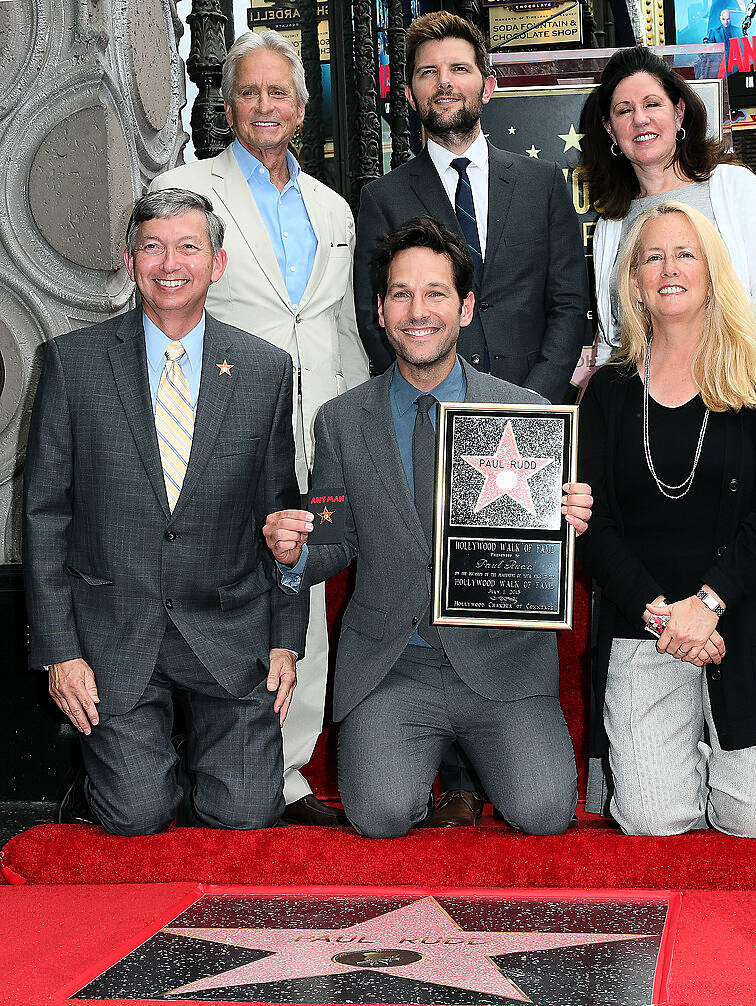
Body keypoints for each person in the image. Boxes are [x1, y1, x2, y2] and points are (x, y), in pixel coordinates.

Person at [264, 217, 593, 840]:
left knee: (544, 815)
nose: (419, 310)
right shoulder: (342, 422)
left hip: (503, 664)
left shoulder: (526, 414)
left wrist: (569, 521)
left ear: (465, 309)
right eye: (401, 295)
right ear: (382, 312)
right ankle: (416, 769)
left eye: (436, 293)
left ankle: (470, 772)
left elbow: (545, 557)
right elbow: (332, 539)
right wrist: (293, 552)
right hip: (395, 663)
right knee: (380, 816)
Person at [22, 190, 308, 835]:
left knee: (246, 816)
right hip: (114, 634)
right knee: (136, 816)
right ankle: (121, 776)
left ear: (218, 262)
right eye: (151, 246)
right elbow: (44, 517)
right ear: (129, 263)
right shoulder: (73, 365)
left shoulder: (265, 369)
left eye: (188, 246)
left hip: (228, 630)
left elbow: (283, 516)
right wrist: (60, 652)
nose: (168, 262)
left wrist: (286, 638)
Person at [151, 30, 370, 827]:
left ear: (301, 110)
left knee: (300, 590)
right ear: (227, 102)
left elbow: (340, 326)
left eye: (280, 93)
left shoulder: (332, 208)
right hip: (213, 432)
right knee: (213, 587)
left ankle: (290, 772)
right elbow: (159, 307)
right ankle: (205, 758)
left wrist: (351, 433)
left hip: (314, 436)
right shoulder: (182, 187)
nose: (264, 105)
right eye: (250, 92)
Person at [577, 201, 756, 837]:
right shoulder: (605, 392)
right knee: (653, 820)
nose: (668, 268)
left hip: (744, 615)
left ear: (714, 270)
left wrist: (708, 604)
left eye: (684, 253)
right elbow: (593, 527)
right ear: (632, 282)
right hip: (648, 625)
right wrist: (667, 615)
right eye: (652, 257)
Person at [354, 11, 588, 401]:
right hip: (431, 411)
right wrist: (428, 399)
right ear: (410, 94)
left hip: (536, 407)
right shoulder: (383, 198)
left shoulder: (543, 183)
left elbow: (570, 303)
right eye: (428, 71)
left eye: (459, 68)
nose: (444, 81)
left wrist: (530, 403)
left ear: (488, 86)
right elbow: (374, 317)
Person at [580, 46, 756, 365]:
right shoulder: (610, 225)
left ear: (678, 112)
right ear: (609, 129)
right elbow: (611, 340)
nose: (640, 119)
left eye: (652, 104)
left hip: (731, 394)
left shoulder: (732, 187)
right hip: (642, 405)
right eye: (624, 110)